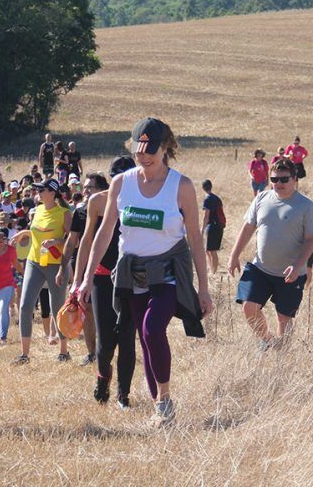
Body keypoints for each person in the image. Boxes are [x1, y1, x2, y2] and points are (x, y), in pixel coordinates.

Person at [80, 118, 212, 422]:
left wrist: (203, 289)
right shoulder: (121, 183)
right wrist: (86, 278)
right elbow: (105, 232)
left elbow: (194, 237)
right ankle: (159, 405)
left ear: (166, 147)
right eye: (139, 150)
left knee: (153, 329)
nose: (145, 156)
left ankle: (164, 401)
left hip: (168, 269)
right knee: (143, 334)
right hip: (132, 272)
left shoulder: (181, 186)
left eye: (152, 150)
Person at [228, 159, 313, 351]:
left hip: (290, 274)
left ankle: (282, 357)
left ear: (295, 179)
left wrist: (298, 266)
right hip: (260, 268)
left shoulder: (306, 206)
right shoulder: (262, 198)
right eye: (274, 179)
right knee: (249, 307)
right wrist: (233, 255)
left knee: (284, 317)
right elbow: (247, 228)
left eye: (284, 179)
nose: (278, 183)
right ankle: (268, 341)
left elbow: (311, 239)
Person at [75, 155, 137, 408]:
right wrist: (79, 280)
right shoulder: (98, 202)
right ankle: (103, 378)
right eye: (116, 178)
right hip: (102, 276)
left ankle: (123, 395)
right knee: (106, 340)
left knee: (127, 338)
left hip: (132, 277)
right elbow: (87, 241)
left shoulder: (141, 201)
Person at [10, 178, 72, 364]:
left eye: (41, 190)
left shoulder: (65, 213)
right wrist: (25, 233)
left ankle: (63, 351)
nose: (37, 193)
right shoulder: (36, 211)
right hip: (34, 262)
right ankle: (24, 355)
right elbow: (38, 232)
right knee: (25, 306)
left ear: (52, 193)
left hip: (56, 265)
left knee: (57, 307)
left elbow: (71, 239)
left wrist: (57, 242)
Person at [56, 173, 109, 366]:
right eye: (84, 188)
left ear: (103, 190)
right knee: (87, 311)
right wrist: (63, 269)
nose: (85, 191)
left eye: (90, 188)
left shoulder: (112, 210)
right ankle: (92, 353)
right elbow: (71, 242)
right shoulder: (80, 212)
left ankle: (108, 349)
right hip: (86, 268)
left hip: (111, 268)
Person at [201, 179, 226, 274]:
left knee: (212, 251)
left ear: (203, 188)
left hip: (212, 227)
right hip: (219, 226)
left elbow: (206, 216)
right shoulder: (217, 198)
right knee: (209, 250)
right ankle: (211, 268)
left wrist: (202, 229)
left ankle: (214, 271)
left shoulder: (207, 199)